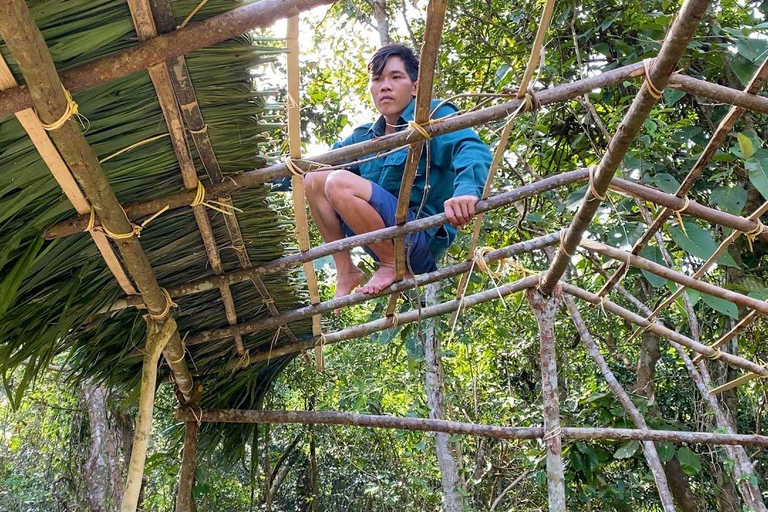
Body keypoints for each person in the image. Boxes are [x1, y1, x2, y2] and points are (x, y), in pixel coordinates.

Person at [304, 44, 492, 298]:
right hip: (375, 235)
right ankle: (346, 269)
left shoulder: (431, 116)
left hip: (418, 238)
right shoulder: (365, 137)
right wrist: (269, 176)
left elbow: (470, 147)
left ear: (415, 87)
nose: (385, 86)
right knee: (313, 178)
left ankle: (392, 264)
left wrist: (467, 190)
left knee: (338, 182)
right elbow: (312, 165)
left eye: (396, 77)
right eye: (377, 79)